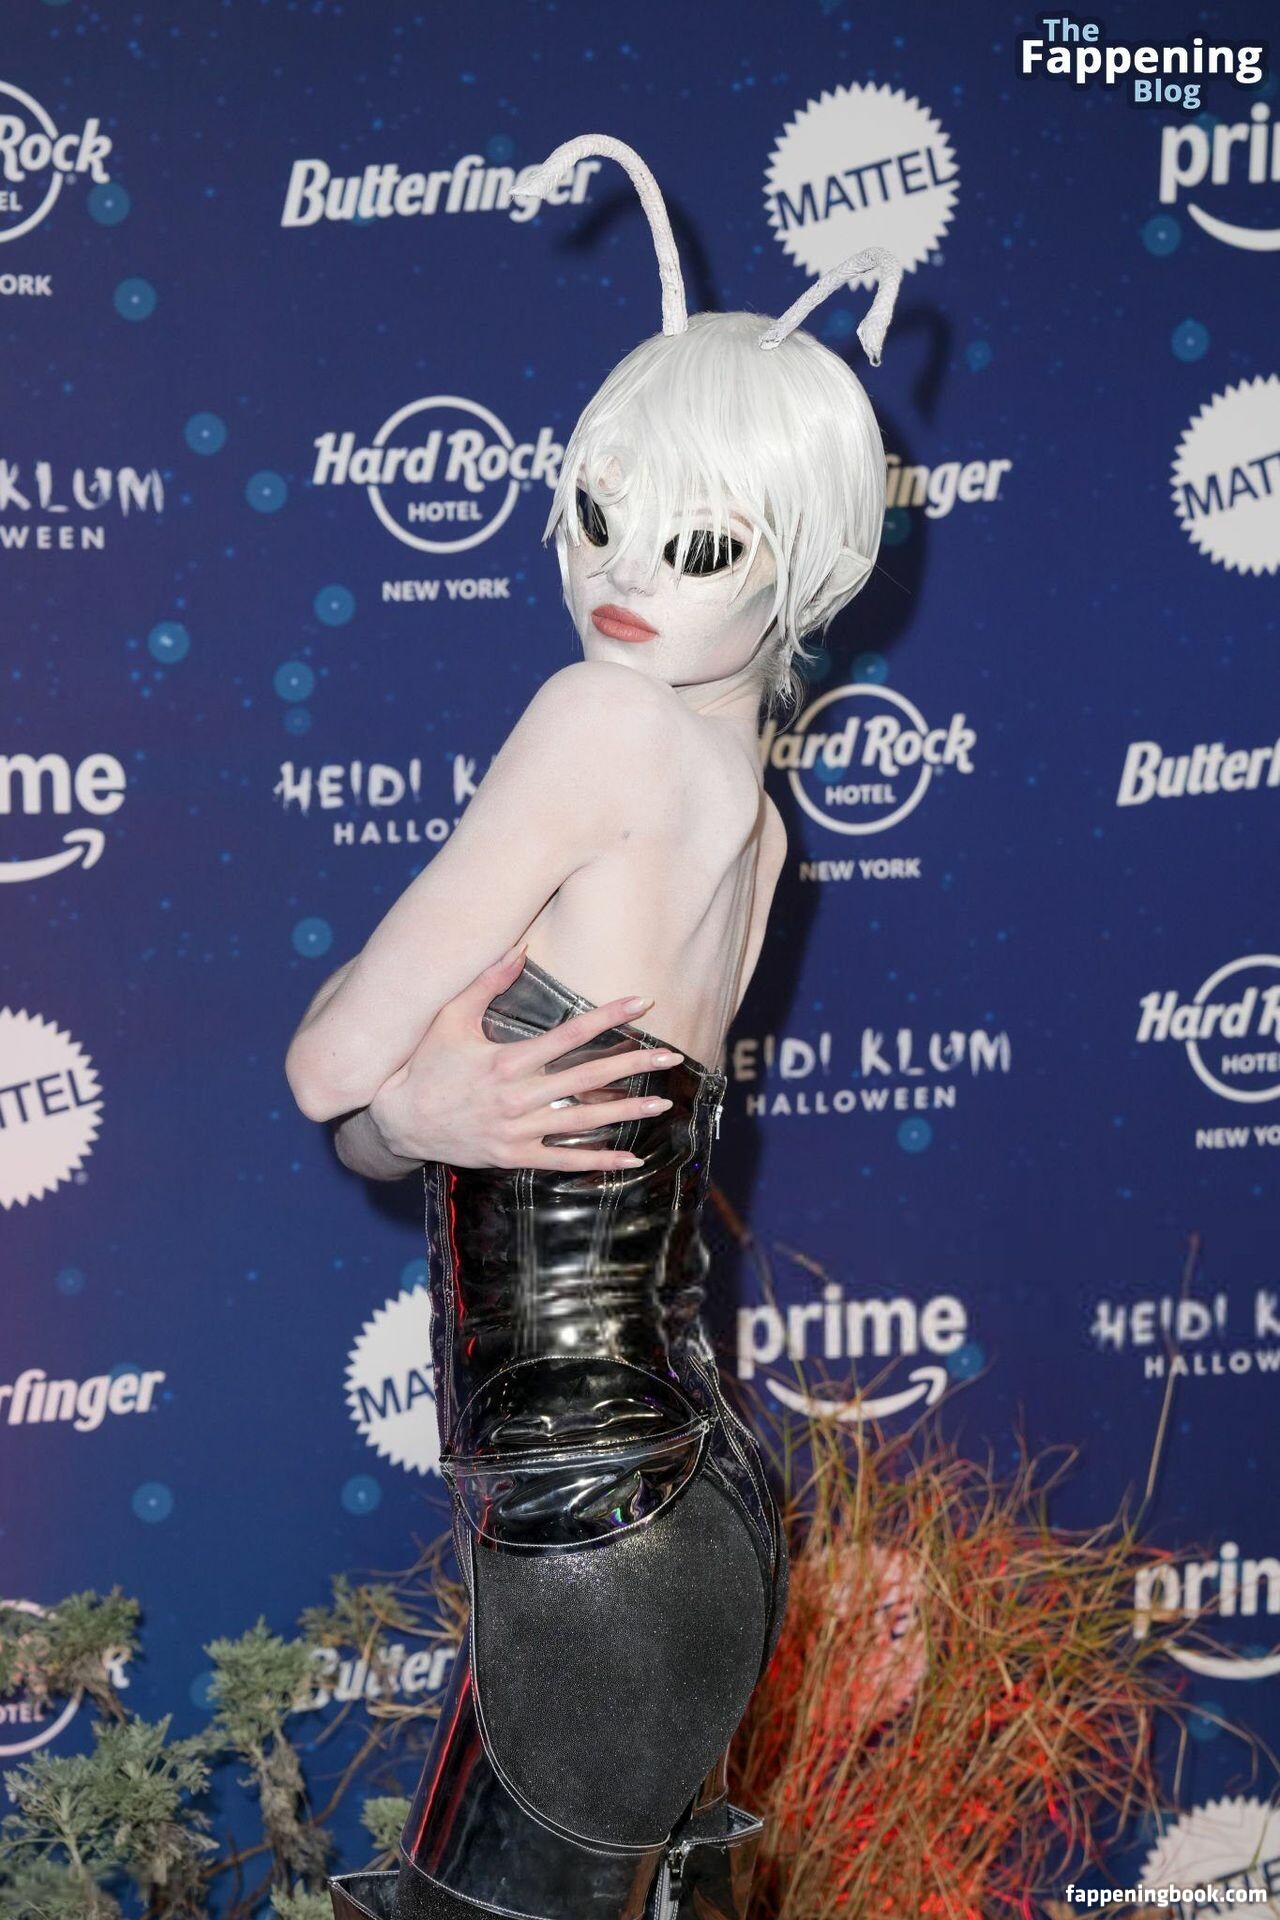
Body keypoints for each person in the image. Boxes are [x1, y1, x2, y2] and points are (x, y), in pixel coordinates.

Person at [285, 134, 900, 1920]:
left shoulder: (598, 723)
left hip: (594, 1518)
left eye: (701, 543)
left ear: (803, 562)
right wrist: (421, 1116)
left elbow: (327, 1067)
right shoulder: (750, 819)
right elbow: (416, 1117)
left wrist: (398, 1104)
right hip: (663, 1501)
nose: (626, 573)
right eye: (597, 513)